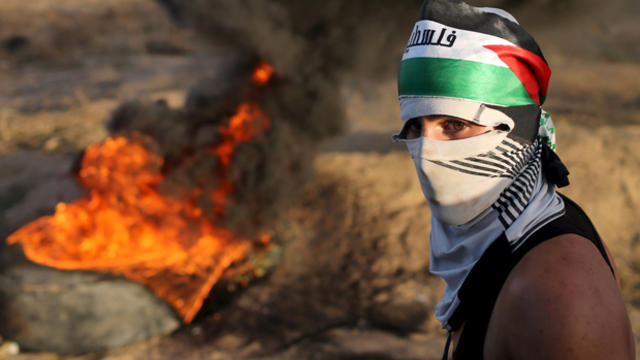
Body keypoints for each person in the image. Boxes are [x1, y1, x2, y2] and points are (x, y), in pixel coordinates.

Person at [393, 1, 635, 359]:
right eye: (416, 127)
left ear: (516, 132)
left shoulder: (554, 289)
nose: (428, 152)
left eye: (455, 125)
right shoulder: (519, 238)